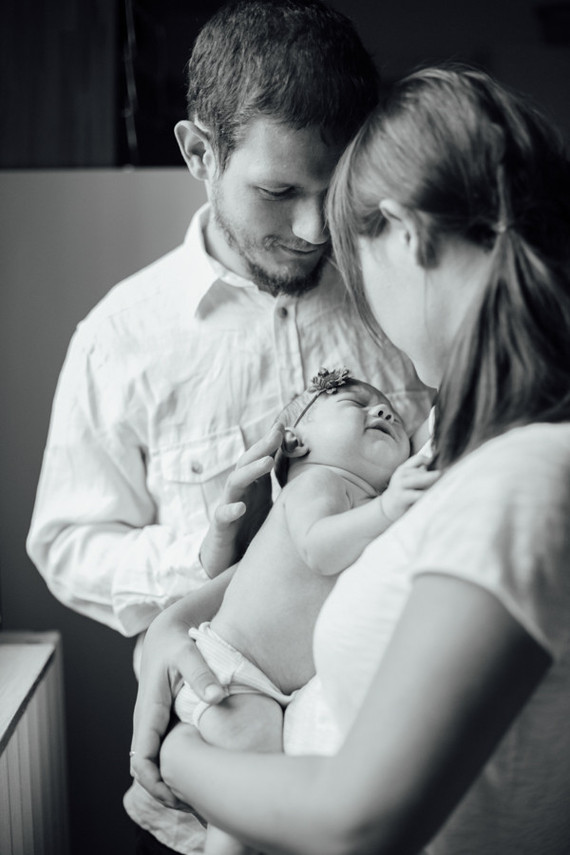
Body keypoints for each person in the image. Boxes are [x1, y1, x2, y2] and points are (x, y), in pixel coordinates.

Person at [131, 65, 570, 854]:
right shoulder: (447, 446)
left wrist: (178, 757)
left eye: (354, 258)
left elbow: (357, 818)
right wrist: (169, 628)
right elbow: (317, 566)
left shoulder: (521, 475)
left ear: (400, 233)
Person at [26, 1, 432, 852]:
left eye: (336, 187)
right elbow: (66, 542)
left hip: (396, 758)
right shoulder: (120, 340)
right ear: (199, 154)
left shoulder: (408, 296)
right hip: (220, 767)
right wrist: (198, 571)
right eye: (280, 191)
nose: (315, 228)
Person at [173, 367, 437, 855]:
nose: (379, 410)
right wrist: (387, 510)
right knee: (249, 784)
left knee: (265, 793)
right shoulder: (319, 484)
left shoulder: (362, 499)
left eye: (390, 411)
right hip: (234, 667)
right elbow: (319, 550)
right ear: (295, 443)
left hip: (276, 685)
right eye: (353, 405)